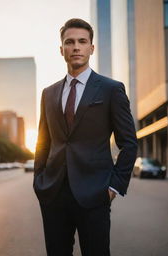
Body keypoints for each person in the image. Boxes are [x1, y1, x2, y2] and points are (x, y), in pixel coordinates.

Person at [33, 18, 138, 256]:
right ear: (62, 50)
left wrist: (114, 187)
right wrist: (39, 180)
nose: (76, 47)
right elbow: (43, 142)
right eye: (69, 42)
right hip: (53, 193)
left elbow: (129, 143)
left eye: (82, 41)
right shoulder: (48, 94)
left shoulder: (111, 89)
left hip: (95, 194)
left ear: (92, 48)